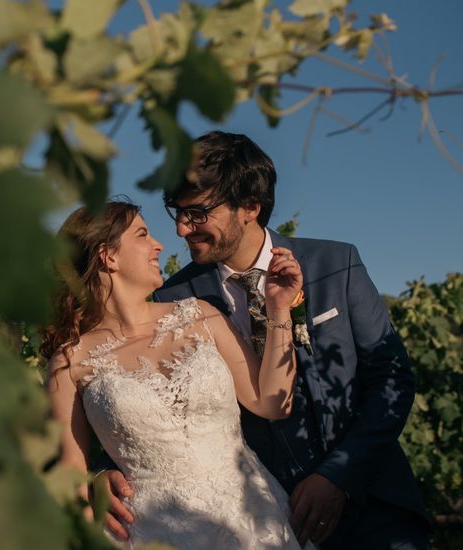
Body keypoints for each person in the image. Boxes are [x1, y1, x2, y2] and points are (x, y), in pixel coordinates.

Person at [103, 131, 430, 548]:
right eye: (178, 213)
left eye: (198, 213)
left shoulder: (335, 263)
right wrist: (101, 472)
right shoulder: (174, 299)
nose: (184, 229)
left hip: (372, 506)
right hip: (261, 522)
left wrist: (338, 476)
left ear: (250, 208)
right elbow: (135, 401)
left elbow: (392, 379)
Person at [43, 200, 311, 548]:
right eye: (143, 234)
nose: (159, 244)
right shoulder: (69, 360)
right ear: (108, 256)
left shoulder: (200, 315)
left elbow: (273, 403)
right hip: (148, 532)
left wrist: (279, 308)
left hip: (250, 519)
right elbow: (72, 476)